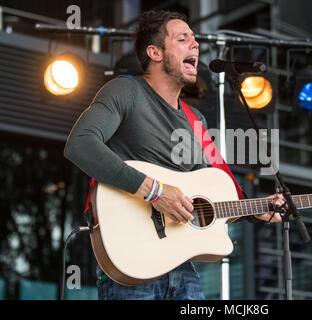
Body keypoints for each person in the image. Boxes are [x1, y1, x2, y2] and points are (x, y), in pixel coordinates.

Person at [64, 9, 283, 300]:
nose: (195, 45)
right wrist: (155, 191)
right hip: (131, 264)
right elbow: (80, 143)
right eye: (183, 39)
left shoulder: (196, 121)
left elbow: (207, 201)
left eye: (194, 39)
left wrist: (254, 210)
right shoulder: (125, 91)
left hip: (183, 269)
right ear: (154, 52)